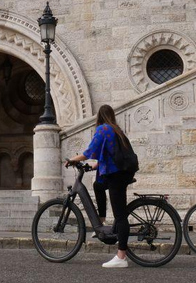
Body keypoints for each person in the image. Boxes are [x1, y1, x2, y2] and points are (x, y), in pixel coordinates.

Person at [66, 104, 135, 268]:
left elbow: (90, 151)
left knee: (120, 216)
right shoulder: (116, 129)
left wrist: (73, 159)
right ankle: (102, 221)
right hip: (121, 172)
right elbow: (112, 156)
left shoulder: (103, 129)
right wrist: (93, 167)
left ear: (99, 116)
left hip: (117, 175)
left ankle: (121, 256)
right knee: (98, 185)